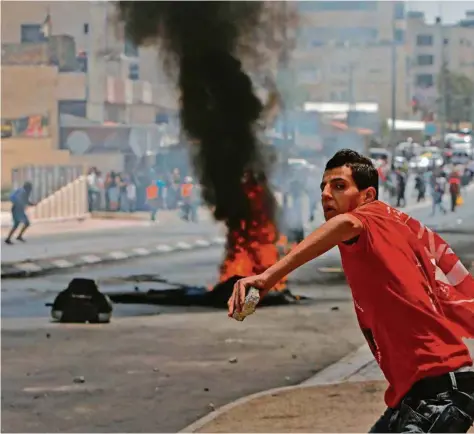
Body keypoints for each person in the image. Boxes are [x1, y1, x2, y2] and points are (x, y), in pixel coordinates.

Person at [228, 149, 474, 433]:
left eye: (339, 186)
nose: (325, 194)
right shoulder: (391, 226)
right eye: (323, 186)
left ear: (368, 196)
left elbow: (345, 223)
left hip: (439, 394)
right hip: (416, 396)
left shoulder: (368, 217)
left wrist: (267, 277)